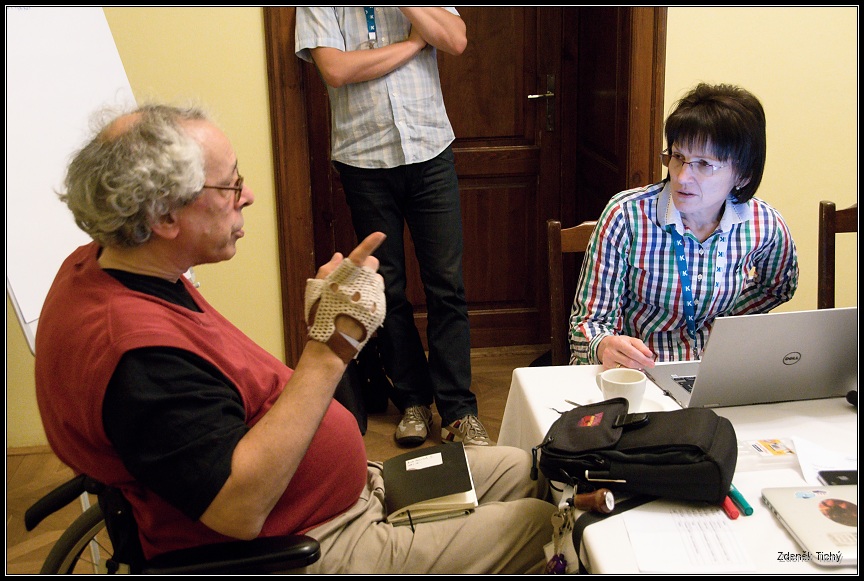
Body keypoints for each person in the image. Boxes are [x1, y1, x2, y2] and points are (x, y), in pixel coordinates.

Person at [34, 104, 557, 574]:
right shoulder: (139, 357)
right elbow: (240, 508)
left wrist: (329, 321)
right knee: (542, 526)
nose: (248, 195)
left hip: (341, 493)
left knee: (533, 468)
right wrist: (335, 343)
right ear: (165, 216)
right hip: (310, 541)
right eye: (230, 187)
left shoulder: (107, 265)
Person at [294, 7, 492, 447]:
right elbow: (336, 70)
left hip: (429, 149)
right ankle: (413, 402)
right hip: (363, 158)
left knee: (447, 285)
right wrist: (414, 43)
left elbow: (455, 39)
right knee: (388, 288)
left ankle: (458, 411)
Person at [570, 82, 799, 369]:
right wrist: (604, 345)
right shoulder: (627, 215)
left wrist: (728, 323)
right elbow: (587, 325)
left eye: (704, 164)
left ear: (742, 175)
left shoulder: (764, 224)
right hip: (638, 371)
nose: (681, 177)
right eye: (678, 157)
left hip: (714, 370)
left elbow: (780, 287)